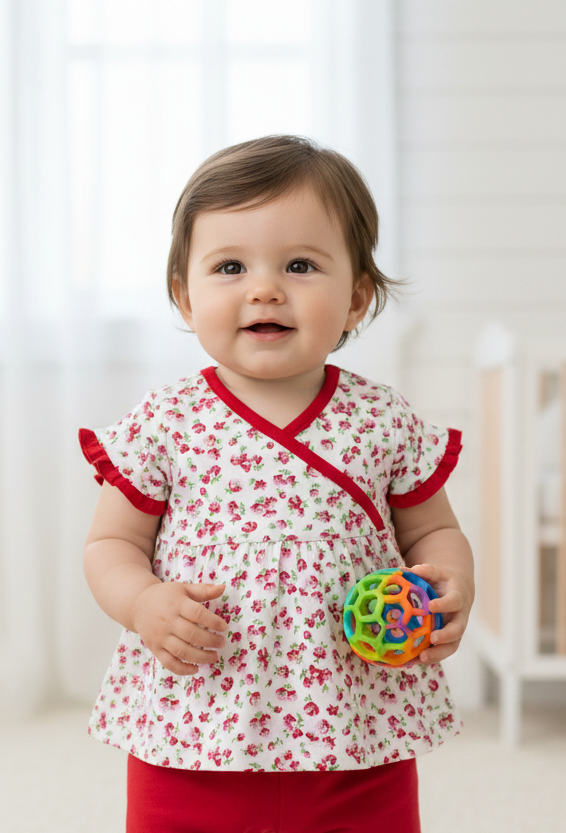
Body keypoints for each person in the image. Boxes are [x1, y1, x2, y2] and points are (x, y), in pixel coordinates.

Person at [80, 135, 474, 833]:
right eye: (230, 266)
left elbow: (431, 528)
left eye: (299, 265)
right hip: (197, 720)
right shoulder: (166, 419)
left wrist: (450, 584)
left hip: (354, 722)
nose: (265, 287)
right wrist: (143, 603)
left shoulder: (380, 417)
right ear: (184, 295)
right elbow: (112, 541)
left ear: (355, 298)